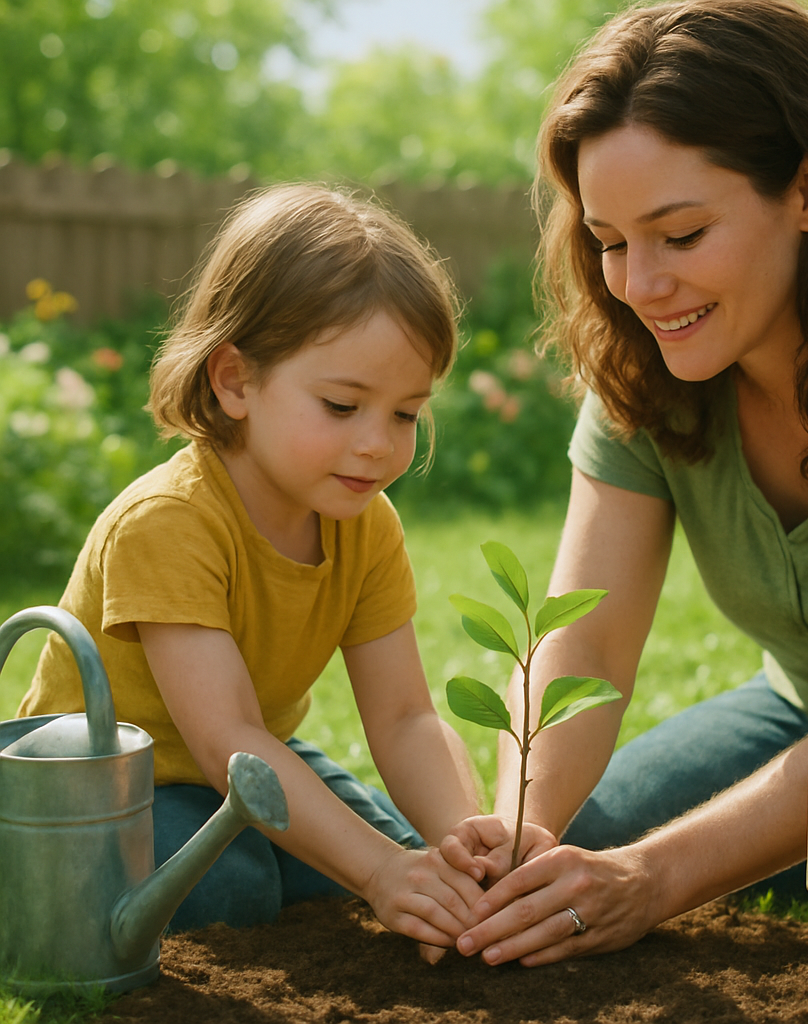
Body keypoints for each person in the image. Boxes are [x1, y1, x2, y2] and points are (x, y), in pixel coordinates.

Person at [443, 0, 808, 967]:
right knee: (589, 843)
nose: (638, 284)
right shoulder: (648, 371)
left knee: (764, 867)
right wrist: (520, 835)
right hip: (805, 712)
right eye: (611, 241)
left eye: (680, 234)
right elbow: (580, 647)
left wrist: (654, 880)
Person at [18, 183, 484, 948]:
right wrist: (375, 874)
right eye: (342, 406)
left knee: (416, 861)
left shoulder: (365, 526)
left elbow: (405, 718)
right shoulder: (169, 523)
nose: (379, 443)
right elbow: (225, 735)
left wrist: (465, 840)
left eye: (405, 413)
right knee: (242, 885)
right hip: (112, 787)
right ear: (235, 380)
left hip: (250, 770)